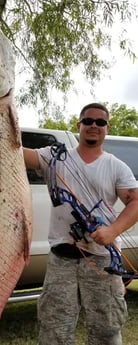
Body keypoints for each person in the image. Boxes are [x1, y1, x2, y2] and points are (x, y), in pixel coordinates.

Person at [23, 103, 138, 345]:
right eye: (88, 121)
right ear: (79, 126)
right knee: (54, 330)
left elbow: (135, 201)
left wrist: (112, 231)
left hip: (102, 259)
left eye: (100, 122)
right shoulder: (53, 156)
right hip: (61, 260)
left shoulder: (115, 166)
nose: (93, 126)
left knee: (106, 330)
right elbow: (19, 154)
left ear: (107, 127)